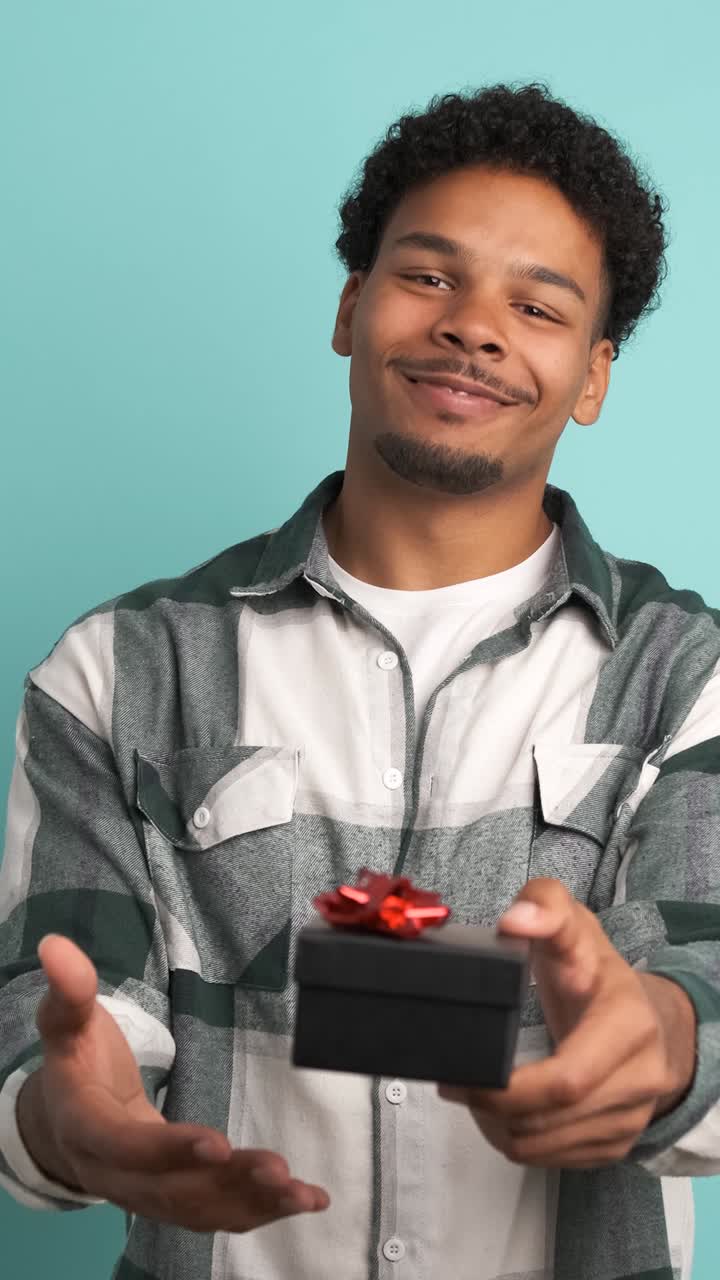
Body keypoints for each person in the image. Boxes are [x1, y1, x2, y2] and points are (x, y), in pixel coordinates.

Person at [1, 80, 718, 1280]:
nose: (474, 327)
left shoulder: (688, 675)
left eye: (536, 306)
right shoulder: (114, 670)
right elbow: (63, 1016)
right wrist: (70, 1113)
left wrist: (659, 1041)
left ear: (593, 378)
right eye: (430, 276)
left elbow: (709, 963)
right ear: (352, 306)